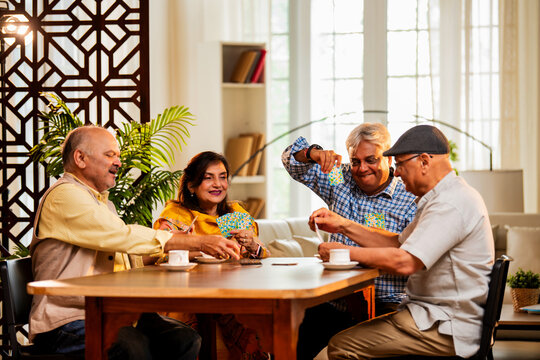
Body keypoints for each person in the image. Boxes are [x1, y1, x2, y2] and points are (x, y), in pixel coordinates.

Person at [29, 125, 241, 359]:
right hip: (69, 319)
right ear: (80, 158)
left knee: (184, 339)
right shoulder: (65, 195)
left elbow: (125, 253)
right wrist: (194, 243)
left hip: (111, 311)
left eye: (223, 178)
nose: (118, 162)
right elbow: (121, 235)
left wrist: (183, 249)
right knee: (133, 345)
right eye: (110, 154)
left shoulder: (233, 211)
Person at [310, 125, 495, 359]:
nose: (396, 173)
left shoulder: (450, 203)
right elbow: (398, 243)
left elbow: (405, 262)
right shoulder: (441, 198)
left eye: (400, 164)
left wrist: (342, 252)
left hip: (446, 326)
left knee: (342, 344)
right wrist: (344, 225)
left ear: (425, 161)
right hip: (436, 317)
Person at [282, 123, 417, 359]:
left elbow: (407, 253)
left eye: (371, 160)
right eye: (356, 161)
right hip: (339, 302)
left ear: (389, 158)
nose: (362, 168)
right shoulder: (341, 179)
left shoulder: (410, 195)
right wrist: (313, 152)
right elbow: (291, 163)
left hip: (388, 302)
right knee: (295, 326)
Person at [154, 151, 270, 360]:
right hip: (187, 294)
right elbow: (161, 252)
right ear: (191, 185)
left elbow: (262, 253)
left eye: (223, 177)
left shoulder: (234, 214)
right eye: (208, 177)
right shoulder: (177, 215)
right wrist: (201, 248)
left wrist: (252, 244)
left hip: (232, 292)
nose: (218, 184)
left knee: (255, 317)